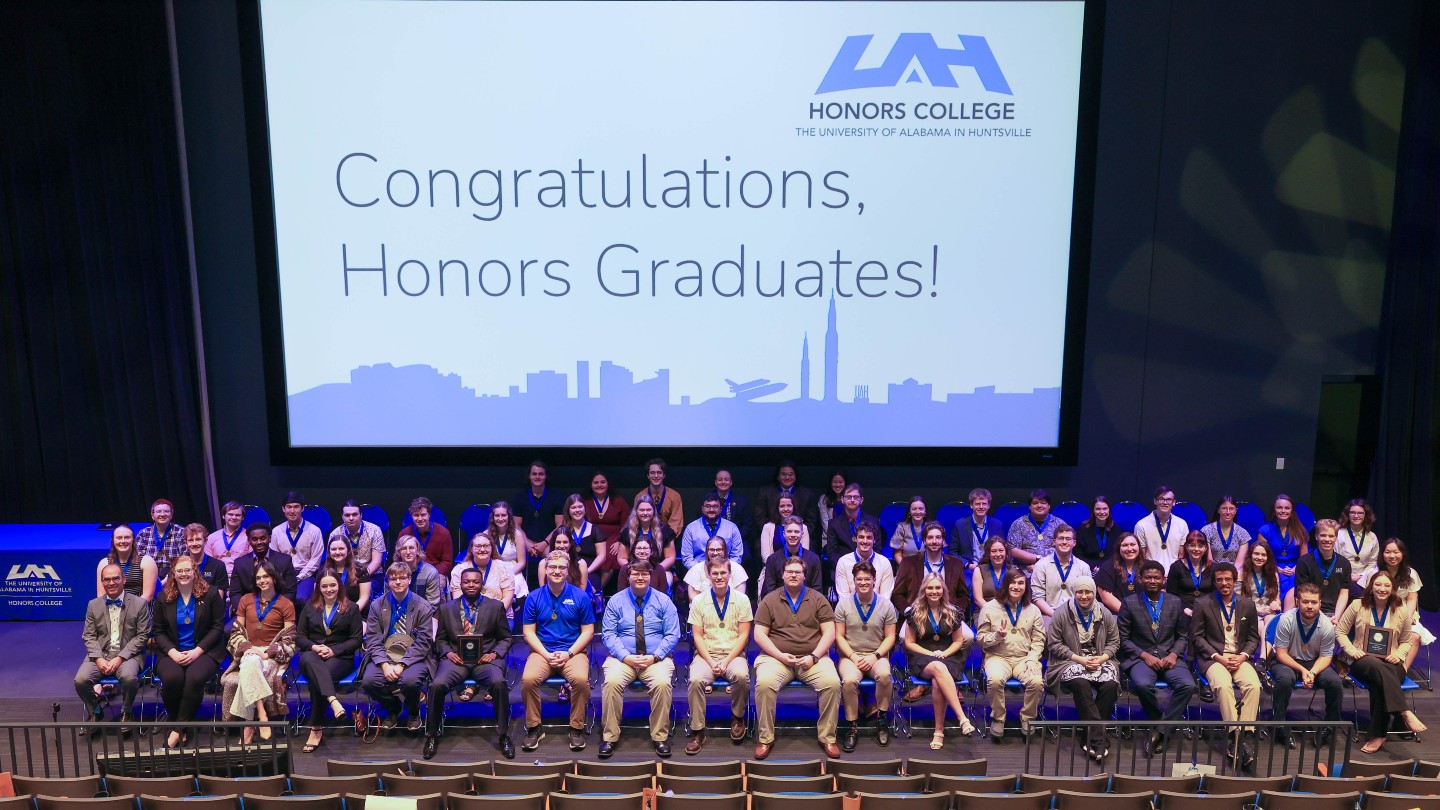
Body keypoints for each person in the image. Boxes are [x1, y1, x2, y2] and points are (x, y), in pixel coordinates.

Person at [752, 556, 842, 759]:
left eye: (797, 572)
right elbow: (759, 635)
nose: (793, 575)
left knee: (832, 683)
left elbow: (830, 633)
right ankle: (765, 738)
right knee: (764, 683)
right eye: (790, 572)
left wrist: (814, 656)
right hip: (776, 658)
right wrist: (780, 656)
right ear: (782, 575)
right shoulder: (770, 599)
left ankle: (827, 737)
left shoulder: (818, 599)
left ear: (804, 575)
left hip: (812, 659)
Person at [425, 567, 514, 760]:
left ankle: (504, 735)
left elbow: (506, 638)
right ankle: (432, 734)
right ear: (460, 584)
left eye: (475, 581)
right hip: (456, 660)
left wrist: (494, 654)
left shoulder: (495, 606)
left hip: (485, 660)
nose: (471, 585)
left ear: (482, 584)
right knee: (437, 685)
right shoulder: (446, 608)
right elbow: (440, 640)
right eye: (467, 582)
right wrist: (448, 653)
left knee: (499, 684)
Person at [1336, 571, 1426, 753]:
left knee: (1380, 681)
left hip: (1393, 662)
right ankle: (1404, 711)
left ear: (1392, 589)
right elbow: (1340, 631)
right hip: (1363, 660)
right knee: (1376, 667)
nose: (1382, 589)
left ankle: (1379, 734)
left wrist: (1399, 655)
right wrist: (1352, 650)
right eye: (1378, 585)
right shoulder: (1357, 605)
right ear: (1371, 586)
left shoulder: (1400, 608)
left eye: (1386, 586)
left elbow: (1407, 641)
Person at [599, 559, 681, 758]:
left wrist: (655, 656)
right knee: (611, 682)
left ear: (651, 576)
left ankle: (660, 736)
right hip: (622, 659)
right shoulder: (616, 601)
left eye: (644, 574)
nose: (640, 577)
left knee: (662, 683)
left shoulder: (664, 601)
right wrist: (626, 656)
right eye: (635, 573)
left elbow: (673, 634)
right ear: (628, 576)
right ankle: (609, 737)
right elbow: (608, 634)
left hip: (655, 659)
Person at [520, 550, 596, 752]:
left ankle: (576, 728)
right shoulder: (534, 597)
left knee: (580, 680)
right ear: (545, 570)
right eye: (552, 567)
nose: (556, 571)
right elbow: (528, 633)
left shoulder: (580, 596)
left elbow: (588, 632)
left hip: (573, 652)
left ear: (567, 570)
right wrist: (546, 655)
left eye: (561, 567)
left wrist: (569, 653)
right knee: (528, 680)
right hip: (542, 652)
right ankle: (535, 727)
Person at [1117, 560, 1193, 756]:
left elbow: (1183, 636)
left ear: (1163, 580)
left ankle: (1160, 731)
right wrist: (1144, 655)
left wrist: (1174, 654)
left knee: (1188, 685)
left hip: (1170, 657)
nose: (1152, 581)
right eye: (1148, 577)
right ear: (1141, 579)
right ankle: (1164, 725)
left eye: (1156, 577)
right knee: (1142, 685)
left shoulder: (1175, 602)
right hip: (1140, 658)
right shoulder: (1129, 602)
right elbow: (1123, 639)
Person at [1192, 562, 1261, 769]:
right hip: (1214, 658)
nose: (1224, 583)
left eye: (1228, 579)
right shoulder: (1203, 604)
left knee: (1254, 686)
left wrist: (1243, 656)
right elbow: (1196, 638)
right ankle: (1235, 736)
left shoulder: (1247, 604)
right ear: (1214, 582)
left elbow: (1252, 638)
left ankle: (1245, 737)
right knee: (1222, 686)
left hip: (1239, 657)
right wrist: (1218, 657)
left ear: (1234, 581)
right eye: (1220, 579)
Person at [153, 554, 226, 748]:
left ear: (195, 572)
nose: (184, 574)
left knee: (194, 678)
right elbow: (158, 631)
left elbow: (218, 627)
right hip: (171, 651)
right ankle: (182, 724)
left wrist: (197, 651)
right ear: (173, 574)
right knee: (172, 679)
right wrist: (172, 652)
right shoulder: (163, 597)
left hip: (205, 651)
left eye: (188, 570)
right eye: (180, 571)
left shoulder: (211, 594)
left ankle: (177, 729)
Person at [221, 560, 297, 743]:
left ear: (274, 578)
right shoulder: (246, 600)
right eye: (258, 578)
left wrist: (267, 653)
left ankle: (248, 725)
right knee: (251, 661)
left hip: (270, 655)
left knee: (251, 665)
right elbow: (236, 632)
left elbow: (289, 638)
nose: (262, 580)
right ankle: (261, 715)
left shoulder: (286, 604)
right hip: (249, 650)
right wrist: (250, 649)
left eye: (266, 576)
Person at [1046, 575, 1119, 762]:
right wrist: (1080, 659)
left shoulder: (1104, 612)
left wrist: (1102, 658)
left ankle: (1089, 735)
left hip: (1099, 659)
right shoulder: (1061, 613)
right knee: (1081, 683)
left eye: (1088, 592)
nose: (1084, 596)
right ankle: (1099, 738)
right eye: (1080, 592)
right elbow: (1054, 644)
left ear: (1094, 593)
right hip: (1070, 660)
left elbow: (1114, 642)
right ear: (1074, 592)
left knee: (1110, 684)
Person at [685, 558, 753, 754]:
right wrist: (711, 661)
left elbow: (744, 635)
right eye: (715, 573)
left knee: (741, 677)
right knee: (696, 679)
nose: (719, 577)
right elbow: (697, 635)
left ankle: (737, 717)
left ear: (730, 574)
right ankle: (698, 730)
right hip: (706, 655)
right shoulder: (699, 601)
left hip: (734, 654)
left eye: (723, 573)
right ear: (708, 575)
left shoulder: (742, 600)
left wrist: (726, 660)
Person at [76, 563, 152, 736]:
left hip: (128, 655)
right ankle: (95, 710)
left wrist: (120, 658)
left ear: (124, 579)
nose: (111, 583)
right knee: (80, 680)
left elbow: (143, 636)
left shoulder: (139, 604)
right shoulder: (93, 605)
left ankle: (127, 711)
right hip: (100, 655)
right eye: (107, 580)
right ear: (102, 582)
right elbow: (88, 636)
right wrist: (99, 658)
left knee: (128, 677)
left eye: (116, 578)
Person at [902, 573, 977, 747]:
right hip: (922, 658)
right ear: (924, 590)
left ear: (943, 590)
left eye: (937, 588)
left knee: (937, 681)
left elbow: (959, 641)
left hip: (948, 657)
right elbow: (909, 643)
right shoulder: (914, 613)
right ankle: (962, 718)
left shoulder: (953, 612)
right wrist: (931, 654)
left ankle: (939, 732)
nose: (934, 591)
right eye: (930, 588)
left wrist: (944, 654)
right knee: (937, 667)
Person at [362, 562, 436, 733]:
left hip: (415, 656)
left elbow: (424, 641)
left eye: (402, 578)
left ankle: (413, 713)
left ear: (409, 579)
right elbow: (373, 638)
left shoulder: (423, 606)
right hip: (385, 655)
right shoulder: (377, 605)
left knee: (409, 681)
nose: (398, 582)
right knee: (369, 681)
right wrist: (384, 664)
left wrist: (402, 664)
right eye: (393, 578)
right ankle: (393, 708)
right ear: (387, 581)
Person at [1270, 582, 1342, 749]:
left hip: (1314, 661)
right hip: (1286, 659)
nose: (1310, 606)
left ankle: (1329, 727)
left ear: (1320, 603)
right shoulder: (1286, 620)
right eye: (1305, 601)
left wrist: (1313, 672)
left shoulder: (1326, 625)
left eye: (1314, 602)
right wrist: (1304, 671)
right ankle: (1279, 726)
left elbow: (1326, 657)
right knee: (1285, 679)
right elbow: (1281, 654)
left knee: (1335, 683)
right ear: (1297, 602)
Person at [296, 570, 362, 753]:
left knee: (316, 681)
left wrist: (333, 650)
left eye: (332, 585)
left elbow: (356, 640)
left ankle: (316, 728)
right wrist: (315, 647)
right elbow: (300, 637)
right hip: (312, 655)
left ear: (339, 586)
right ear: (318, 587)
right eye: (324, 586)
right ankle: (333, 700)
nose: (329, 589)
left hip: (340, 657)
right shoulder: (310, 606)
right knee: (309, 659)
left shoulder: (352, 608)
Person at [835, 561, 899, 751]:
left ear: (874, 580)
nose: (863, 582)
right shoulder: (843, 604)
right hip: (850, 656)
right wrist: (853, 656)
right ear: (854, 581)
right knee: (848, 681)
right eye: (859, 579)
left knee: (885, 675)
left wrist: (876, 655)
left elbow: (890, 637)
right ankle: (852, 726)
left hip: (877, 656)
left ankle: (881, 719)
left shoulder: (886, 605)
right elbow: (838, 636)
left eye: (867, 579)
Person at [976, 569, 1045, 739]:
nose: (1016, 586)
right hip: (998, 656)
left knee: (1036, 681)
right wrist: (997, 636)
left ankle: (1028, 718)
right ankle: (998, 718)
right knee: (995, 680)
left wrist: (1032, 658)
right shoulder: (990, 608)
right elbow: (981, 638)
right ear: (1005, 585)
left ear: (1025, 586)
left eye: (1020, 583)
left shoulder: (1033, 610)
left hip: (1024, 658)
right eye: (1012, 583)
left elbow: (1039, 639)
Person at [1366, 538, 1430, 670]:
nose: (1392, 556)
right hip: (1378, 612)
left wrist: (1408, 616)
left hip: (1404, 612)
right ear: (1382, 554)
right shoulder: (1373, 572)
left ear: (1403, 554)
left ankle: (1402, 670)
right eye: (1388, 552)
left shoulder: (1411, 573)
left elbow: (1412, 599)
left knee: (1415, 636)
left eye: (1396, 552)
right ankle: (1377, 668)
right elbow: (1366, 596)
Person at [895, 521, 968, 616]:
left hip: (947, 617)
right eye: (930, 538)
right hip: (916, 616)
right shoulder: (908, 563)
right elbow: (897, 594)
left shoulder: (955, 564)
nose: (934, 541)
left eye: (938, 537)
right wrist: (909, 611)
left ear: (943, 541)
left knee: (968, 632)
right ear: (924, 541)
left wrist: (955, 612)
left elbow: (964, 596)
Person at [1248, 494, 1308, 598]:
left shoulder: (1300, 531)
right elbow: (1261, 556)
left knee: (1296, 582)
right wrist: (1278, 569)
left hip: (1295, 569)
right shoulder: (1264, 531)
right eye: (1279, 507)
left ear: (1292, 511)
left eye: (1287, 508)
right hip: (1271, 568)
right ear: (1274, 510)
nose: (1283, 511)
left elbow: (1304, 558)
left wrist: (1295, 569)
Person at [615, 493, 678, 591]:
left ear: (654, 511)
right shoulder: (627, 532)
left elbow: (670, 557)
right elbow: (621, 558)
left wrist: (656, 570)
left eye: (648, 510)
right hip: (634, 570)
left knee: (664, 581)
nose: (645, 513)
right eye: (641, 510)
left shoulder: (665, 531)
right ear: (636, 511)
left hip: (659, 569)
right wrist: (634, 569)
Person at [230, 523, 297, 611]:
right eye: (254, 539)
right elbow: (235, 594)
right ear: (249, 541)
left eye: (263, 538)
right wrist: (247, 611)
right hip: (249, 611)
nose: (259, 542)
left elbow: (290, 592)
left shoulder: (285, 560)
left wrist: (272, 610)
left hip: (277, 610)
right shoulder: (240, 563)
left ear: (269, 539)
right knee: (229, 626)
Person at [1293, 519, 1351, 617]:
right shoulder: (1304, 562)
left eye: (1331, 536)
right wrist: (1322, 619)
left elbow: (1344, 593)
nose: (1327, 539)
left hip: (1335, 614)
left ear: (1336, 537)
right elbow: (1303, 594)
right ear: (1316, 536)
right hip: (1311, 612)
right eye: (1323, 535)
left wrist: (1336, 617)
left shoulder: (1344, 563)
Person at [1031, 525, 1092, 619]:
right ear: (1054, 542)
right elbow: (1037, 597)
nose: (1064, 542)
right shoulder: (1041, 566)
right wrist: (1056, 616)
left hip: (1077, 614)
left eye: (1068, 539)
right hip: (1049, 615)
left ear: (1074, 543)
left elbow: (1088, 596)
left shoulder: (1083, 567)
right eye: (1061, 538)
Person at [449, 534, 515, 618]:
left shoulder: (503, 567)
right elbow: (458, 599)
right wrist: (473, 617)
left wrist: (493, 616)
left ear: (492, 548)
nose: (482, 549)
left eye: (486, 546)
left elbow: (508, 596)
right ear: (471, 549)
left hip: (499, 617)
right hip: (468, 617)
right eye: (478, 546)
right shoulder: (459, 570)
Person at [680, 492, 745, 572]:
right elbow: (687, 558)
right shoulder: (691, 528)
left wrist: (724, 570)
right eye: (707, 506)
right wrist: (701, 572)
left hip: (726, 572)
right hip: (698, 572)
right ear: (702, 509)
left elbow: (736, 556)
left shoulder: (732, 528)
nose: (711, 510)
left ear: (721, 509)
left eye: (715, 506)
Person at [760, 515, 823, 596]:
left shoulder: (814, 559)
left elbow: (817, 592)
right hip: (779, 606)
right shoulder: (772, 560)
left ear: (802, 534)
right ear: (784, 534)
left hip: (807, 606)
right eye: (789, 531)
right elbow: (769, 592)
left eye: (796, 532)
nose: (793, 535)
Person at [1240, 541, 1283, 658]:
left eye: (1263, 555)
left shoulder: (1273, 574)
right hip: (1251, 612)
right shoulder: (1242, 574)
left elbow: (1277, 598)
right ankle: (1265, 659)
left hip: (1269, 612)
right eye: (1256, 554)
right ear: (1251, 555)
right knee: (1262, 628)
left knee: (1270, 622)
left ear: (1268, 557)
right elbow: (1240, 600)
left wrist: (1276, 604)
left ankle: (1262, 659)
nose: (1260, 557)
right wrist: (1260, 610)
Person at [755, 461, 819, 539]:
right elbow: (760, 519)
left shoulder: (807, 494)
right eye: (783, 474)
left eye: (791, 474)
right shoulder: (765, 492)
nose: (787, 477)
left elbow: (811, 522)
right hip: (772, 537)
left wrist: (796, 536)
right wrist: (774, 535)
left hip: (800, 537)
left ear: (796, 476)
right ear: (777, 477)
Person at [834, 520, 895, 601]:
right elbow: (844, 598)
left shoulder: (884, 563)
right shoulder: (843, 562)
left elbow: (885, 598)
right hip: (851, 612)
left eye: (869, 537)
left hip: (878, 611)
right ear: (855, 539)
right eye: (861, 537)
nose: (865, 541)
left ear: (874, 540)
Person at [274, 491, 325, 584]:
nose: (292, 511)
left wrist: (300, 577)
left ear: (302, 508)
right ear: (283, 509)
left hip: (306, 575)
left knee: (301, 598)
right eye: (289, 507)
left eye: (296, 507)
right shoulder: (276, 532)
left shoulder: (314, 531)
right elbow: (274, 558)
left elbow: (315, 559)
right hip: (283, 574)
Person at [398, 496, 455, 579]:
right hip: (410, 573)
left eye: (423, 515)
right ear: (412, 516)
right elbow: (398, 559)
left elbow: (447, 562)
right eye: (416, 515)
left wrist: (429, 574)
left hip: (436, 573)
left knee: (441, 583)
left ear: (429, 515)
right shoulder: (404, 534)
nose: (420, 519)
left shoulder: (443, 533)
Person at [824, 483, 884, 562]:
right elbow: (832, 553)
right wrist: (846, 568)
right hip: (843, 568)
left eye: (856, 497)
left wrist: (865, 568)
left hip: (868, 567)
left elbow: (877, 550)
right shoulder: (834, 524)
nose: (852, 500)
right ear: (842, 499)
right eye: (848, 497)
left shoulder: (873, 521)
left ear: (861, 500)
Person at [98, 524, 157, 602]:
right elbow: (101, 596)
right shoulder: (104, 563)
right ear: (113, 540)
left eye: (127, 537)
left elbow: (148, 596)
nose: (123, 541)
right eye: (119, 538)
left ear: (133, 540)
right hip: (112, 609)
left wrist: (127, 612)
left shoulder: (146, 561)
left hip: (139, 610)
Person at [1133, 486, 1189, 569]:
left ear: (1173, 502)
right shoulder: (1141, 525)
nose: (1165, 502)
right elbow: (1141, 557)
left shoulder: (1182, 524)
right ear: (1155, 501)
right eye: (1161, 499)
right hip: (1151, 574)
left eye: (1169, 499)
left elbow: (1182, 555)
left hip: (1174, 573)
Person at [1007, 489, 1067, 566]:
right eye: (1035, 503)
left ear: (1049, 506)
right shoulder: (1018, 524)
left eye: (1043, 503)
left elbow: (1066, 547)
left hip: (1055, 567)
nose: (1039, 506)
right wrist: (1037, 559)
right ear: (1029, 506)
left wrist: (1044, 566)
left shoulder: (1060, 524)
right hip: (1025, 569)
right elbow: (1013, 550)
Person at [328, 500, 386, 580]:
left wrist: (362, 578)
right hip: (345, 574)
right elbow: (333, 562)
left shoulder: (375, 530)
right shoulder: (335, 534)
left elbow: (376, 562)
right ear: (342, 516)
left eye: (354, 514)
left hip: (372, 574)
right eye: (347, 515)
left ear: (361, 515)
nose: (351, 518)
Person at [951, 488, 1005, 566]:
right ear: (971, 505)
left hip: (991, 567)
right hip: (968, 569)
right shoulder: (960, 525)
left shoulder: (997, 525)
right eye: (977, 504)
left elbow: (1002, 549)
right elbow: (952, 552)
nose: (981, 507)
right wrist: (967, 565)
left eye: (984, 504)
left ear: (988, 506)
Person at [1096, 532, 1146, 614]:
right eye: (1125, 545)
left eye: (1133, 544)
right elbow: (1106, 598)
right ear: (1118, 548)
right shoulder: (1107, 567)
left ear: (1139, 547)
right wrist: (1129, 614)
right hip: (1116, 616)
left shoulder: (1148, 567)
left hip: (1145, 615)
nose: (1129, 549)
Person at [1166, 531, 1214, 615]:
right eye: (1192, 545)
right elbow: (1171, 595)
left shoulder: (1212, 568)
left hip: (1207, 612)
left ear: (1206, 548)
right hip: (1182, 612)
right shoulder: (1176, 567)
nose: (1196, 549)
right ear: (1186, 547)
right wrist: (1184, 610)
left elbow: (1215, 594)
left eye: (1201, 546)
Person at [321, 536, 372, 612]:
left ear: (348, 550)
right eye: (333, 549)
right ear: (329, 551)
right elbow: (319, 596)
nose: (337, 552)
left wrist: (349, 615)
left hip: (356, 613)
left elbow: (364, 598)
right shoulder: (323, 570)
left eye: (341, 548)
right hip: (329, 614)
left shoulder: (361, 570)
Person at [136, 498, 184, 576]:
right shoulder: (143, 534)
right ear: (152, 515)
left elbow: (185, 559)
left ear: (171, 514)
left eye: (166, 511)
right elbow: (138, 560)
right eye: (158, 512)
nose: (162, 514)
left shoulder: (181, 532)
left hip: (175, 574)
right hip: (150, 574)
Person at [637, 457, 685, 536]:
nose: (656, 476)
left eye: (659, 472)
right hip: (645, 539)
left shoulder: (675, 496)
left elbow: (676, 524)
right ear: (648, 476)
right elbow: (637, 521)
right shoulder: (640, 496)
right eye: (652, 473)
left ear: (664, 475)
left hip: (667, 539)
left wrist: (665, 539)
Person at [584, 471, 631, 551]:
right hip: (592, 541)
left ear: (607, 484)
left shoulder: (619, 501)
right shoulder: (585, 502)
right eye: (596, 482)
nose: (599, 485)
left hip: (615, 542)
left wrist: (620, 542)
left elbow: (627, 525)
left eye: (603, 482)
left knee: (612, 556)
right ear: (591, 485)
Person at [758, 492, 810, 562]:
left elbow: (805, 555)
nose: (785, 509)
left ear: (793, 507)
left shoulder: (803, 528)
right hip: (774, 569)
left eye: (789, 505)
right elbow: (766, 557)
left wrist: (792, 569)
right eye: (782, 506)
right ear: (777, 508)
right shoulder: (767, 528)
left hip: (797, 569)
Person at [1338, 499, 1380, 585]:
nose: (1356, 516)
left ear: (1366, 515)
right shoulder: (1339, 534)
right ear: (1347, 515)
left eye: (1360, 513)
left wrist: (1362, 577)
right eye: (1352, 512)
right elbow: (1335, 562)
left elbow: (1373, 563)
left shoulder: (1372, 537)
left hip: (1364, 580)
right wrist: (1348, 577)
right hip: (1341, 578)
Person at [1201, 495, 1251, 567]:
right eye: (1224, 508)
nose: (1228, 512)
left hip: (1234, 574)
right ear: (1218, 510)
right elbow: (1209, 561)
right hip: (1212, 572)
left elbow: (1239, 563)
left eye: (1231, 509)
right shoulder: (1206, 531)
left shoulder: (1243, 534)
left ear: (1236, 511)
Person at [204, 501, 250, 574]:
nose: (234, 517)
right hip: (219, 578)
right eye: (230, 514)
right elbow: (208, 563)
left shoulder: (249, 536)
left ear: (243, 517)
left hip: (242, 577)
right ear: (223, 516)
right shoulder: (212, 537)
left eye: (238, 515)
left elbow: (252, 561)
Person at [181, 523, 228, 593]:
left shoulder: (218, 566)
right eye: (191, 540)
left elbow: (219, 599)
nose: (194, 544)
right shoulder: (179, 566)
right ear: (185, 543)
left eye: (198, 539)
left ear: (205, 541)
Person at [479, 500, 528, 568]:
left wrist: (509, 574)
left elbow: (521, 562)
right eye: (497, 515)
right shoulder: (486, 534)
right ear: (493, 517)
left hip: (513, 570)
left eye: (504, 515)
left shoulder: (517, 535)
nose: (500, 519)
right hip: (492, 569)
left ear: (509, 516)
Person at [713, 469, 754, 544]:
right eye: (720, 480)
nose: (723, 482)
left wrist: (735, 538)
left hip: (735, 539)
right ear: (715, 482)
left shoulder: (741, 501)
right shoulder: (708, 500)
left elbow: (747, 525)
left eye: (726, 480)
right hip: (712, 539)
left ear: (731, 482)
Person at [971, 536, 1012, 611]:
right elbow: (978, 599)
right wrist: (993, 613)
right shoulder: (979, 570)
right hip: (985, 611)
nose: (998, 554)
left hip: (1009, 611)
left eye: (1001, 550)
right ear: (988, 553)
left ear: (1006, 552)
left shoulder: (1012, 571)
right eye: (994, 551)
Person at [1074, 496, 1117, 567]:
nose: (1102, 512)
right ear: (1093, 511)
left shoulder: (1116, 528)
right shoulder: (1083, 529)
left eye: (1105, 509)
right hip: (1087, 568)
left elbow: (1118, 554)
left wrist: (1106, 568)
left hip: (1110, 568)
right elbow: (1078, 555)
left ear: (1109, 510)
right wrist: (1093, 567)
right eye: (1098, 509)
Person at [889, 496, 929, 561]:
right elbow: (897, 554)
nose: (917, 512)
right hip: (907, 567)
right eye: (914, 509)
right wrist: (906, 569)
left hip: (929, 568)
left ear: (925, 511)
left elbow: (939, 551)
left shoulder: (932, 528)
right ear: (909, 512)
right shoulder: (902, 527)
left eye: (921, 509)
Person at [815, 469, 847, 539]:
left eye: (840, 482)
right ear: (830, 483)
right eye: (835, 482)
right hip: (829, 539)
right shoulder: (823, 499)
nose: (838, 485)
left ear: (845, 483)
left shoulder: (849, 498)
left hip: (848, 539)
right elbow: (825, 524)